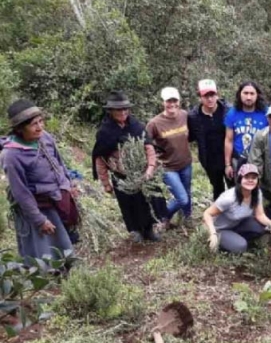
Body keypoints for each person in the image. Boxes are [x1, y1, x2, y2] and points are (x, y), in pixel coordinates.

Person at [1, 100, 75, 263]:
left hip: (55, 197)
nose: (40, 127)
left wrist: (69, 185)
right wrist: (39, 219)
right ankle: (42, 275)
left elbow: (59, 163)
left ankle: (66, 266)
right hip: (36, 205)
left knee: (63, 239)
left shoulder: (45, 137)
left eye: (41, 121)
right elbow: (20, 192)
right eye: (34, 124)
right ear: (20, 129)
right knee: (42, 245)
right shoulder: (11, 156)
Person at [92, 91, 164, 243]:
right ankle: (135, 230)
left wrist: (150, 168)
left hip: (141, 173)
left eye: (126, 109)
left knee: (146, 201)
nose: (123, 112)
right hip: (121, 176)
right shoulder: (105, 132)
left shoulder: (137, 126)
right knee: (127, 203)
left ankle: (149, 229)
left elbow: (149, 147)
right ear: (110, 111)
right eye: (119, 109)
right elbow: (100, 158)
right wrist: (105, 183)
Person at [202, 163, 271, 254]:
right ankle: (223, 242)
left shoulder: (256, 193)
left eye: (253, 178)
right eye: (246, 177)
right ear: (240, 179)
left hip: (236, 224)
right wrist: (213, 234)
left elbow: (260, 215)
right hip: (219, 228)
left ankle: (234, 238)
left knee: (260, 227)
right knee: (241, 246)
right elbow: (207, 213)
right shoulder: (229, 198)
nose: (250, 180)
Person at [146, 87, 193, 228]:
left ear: (179, 101)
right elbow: (145, 144)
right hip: (167, 167)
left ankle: (187, 218)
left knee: (187, 193)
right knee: (182, 198)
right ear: (163, 102)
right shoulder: (154, 123)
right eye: (168, 101)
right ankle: (164, 215)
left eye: (174, 100)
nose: (172, 104)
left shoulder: (184, 115)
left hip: (186, 163)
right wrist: (151, 164)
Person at [188, 79, 229, 200]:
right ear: (200, 97)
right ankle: (218, 215)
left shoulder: (227, 111)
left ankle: (237, 215)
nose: (210, 99)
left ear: (217, 95)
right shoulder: (193, 117)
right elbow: (189, 137)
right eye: (206, 96)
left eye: (212, 95)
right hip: (210, 159)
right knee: (217, 188)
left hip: (228, 156)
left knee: (234, 187)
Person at [224, 81, 268, 186]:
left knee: (259, 191)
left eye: (252, 94)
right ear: (240, 94)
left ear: (257, 95)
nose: (248, 97)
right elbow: (228, 140)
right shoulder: (232, 113)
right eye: (245, 93)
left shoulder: (265, 112)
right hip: (238, 159)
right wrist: (227, 164)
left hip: (259, 159)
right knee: (239, 190)